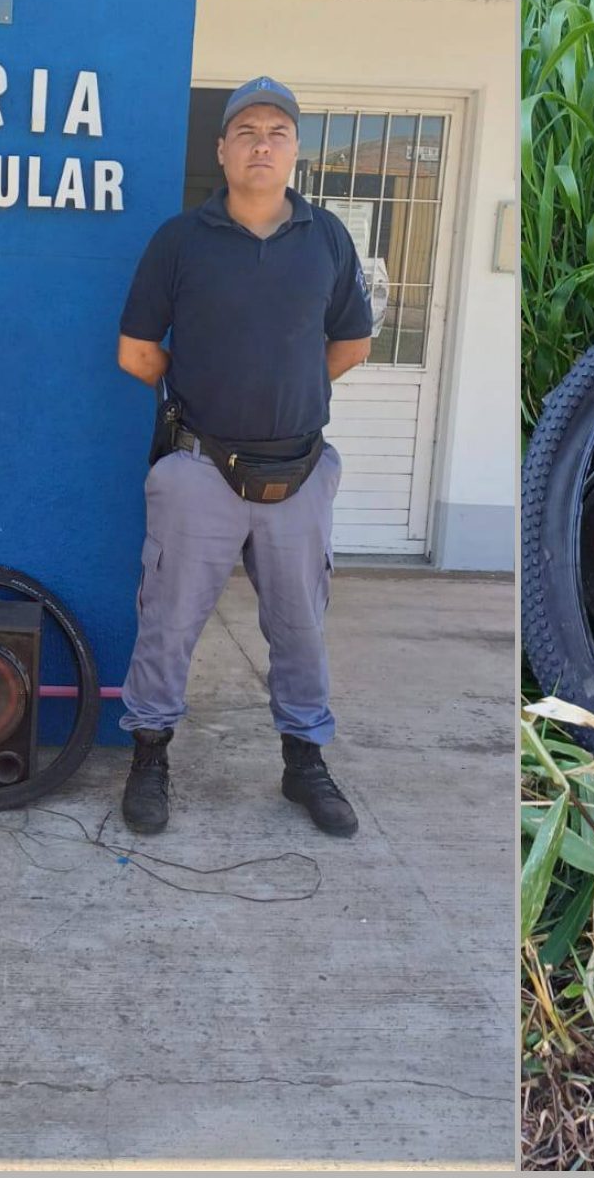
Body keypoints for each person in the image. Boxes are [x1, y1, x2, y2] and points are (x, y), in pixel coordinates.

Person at [114, 76, 374, 837]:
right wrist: (207, 397)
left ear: (296, 150)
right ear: (223, 148)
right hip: (200, 470)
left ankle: (305, 765)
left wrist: (287, 389)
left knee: (300, 627)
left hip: (299, 474)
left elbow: (351, 343)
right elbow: (136, 353)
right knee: (166, 625)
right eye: (248, 131)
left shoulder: (327, 237)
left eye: (278, 132)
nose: (263, 143)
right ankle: (149, 758)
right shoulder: (180, 241)